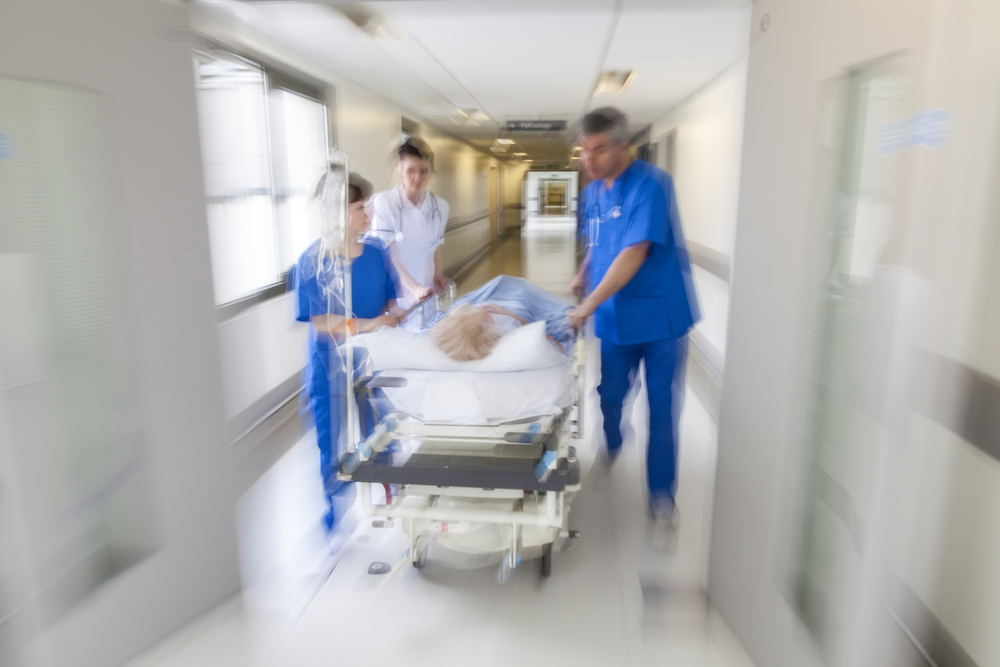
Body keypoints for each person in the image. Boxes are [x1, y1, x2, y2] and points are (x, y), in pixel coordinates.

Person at [567, 107, 699, 549]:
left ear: (624, 146)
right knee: (608, 395)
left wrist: (586, 304)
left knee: (663, 411)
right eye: (585, 150)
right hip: (615, 318)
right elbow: (601, 242)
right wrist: (584, 270)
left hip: (659, 318)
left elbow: (635, 251)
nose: (590, 158)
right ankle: (613, 442)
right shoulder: (592, 194)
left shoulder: (652, 185)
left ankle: (662, 497)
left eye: (599, 148)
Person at [293, 171, 402, 534]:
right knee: (333, 440)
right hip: (330, 367)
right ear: (337, 213)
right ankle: (334, 509)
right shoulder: (312, 262)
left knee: (382, 429)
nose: (368, 214)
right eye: (360, 207)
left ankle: (391, 492)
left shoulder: (375, 253)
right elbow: (322, 321)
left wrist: (392, 314)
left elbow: (389, 294)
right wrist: (370, 325)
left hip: (373, 361)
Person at [369, 138, 450, 328]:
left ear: (431, 171)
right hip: (396, 298)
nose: (417, 178)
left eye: (424, 171)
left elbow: (433, 248)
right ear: (400, 168)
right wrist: (414, 289)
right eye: (410, 171)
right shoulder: (385, 203)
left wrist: (438, 274)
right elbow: (388, 256)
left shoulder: (440, 207)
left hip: (426, 294)